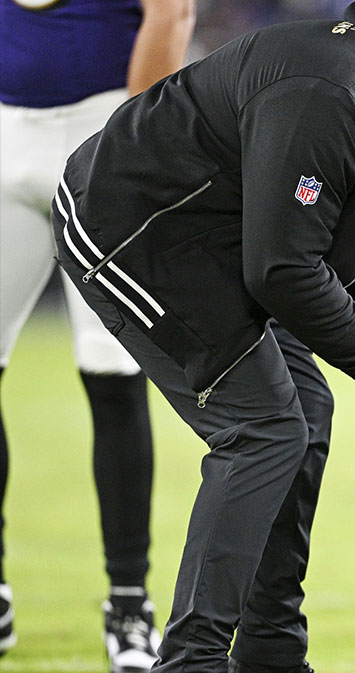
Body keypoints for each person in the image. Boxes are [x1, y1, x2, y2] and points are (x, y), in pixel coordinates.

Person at [51, 2, 355, 671]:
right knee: (265, 428)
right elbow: (284, 271)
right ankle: (193, 659)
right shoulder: (334, 90)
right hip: (132, 227)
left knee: (305, 411)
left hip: (222, 241)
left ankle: (269, 652)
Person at [0, 0, 193, 669]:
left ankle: (129, 601)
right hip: (4, 126)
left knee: (113, 373)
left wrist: (136, 138)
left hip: (99, 122)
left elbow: (172, 11)